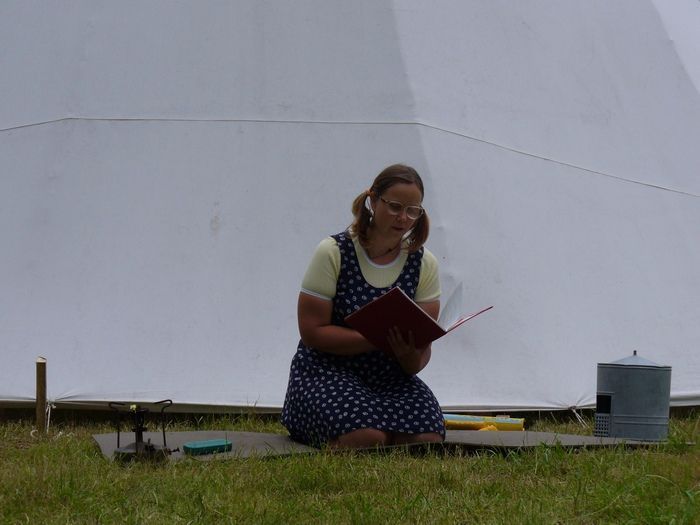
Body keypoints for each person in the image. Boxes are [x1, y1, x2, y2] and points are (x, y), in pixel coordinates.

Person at [281, 164, 445, 449]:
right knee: (366, 438)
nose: (403, 218)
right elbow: (312, 332)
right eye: (394, 207)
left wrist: (408, 355)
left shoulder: (423, 263)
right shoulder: (334, 251)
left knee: (426, 439)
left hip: (389, 378)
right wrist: (375, 339)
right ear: (373, 200)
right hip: (327, 371)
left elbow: (419, 354)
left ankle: (375, 432)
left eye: (412, 211)